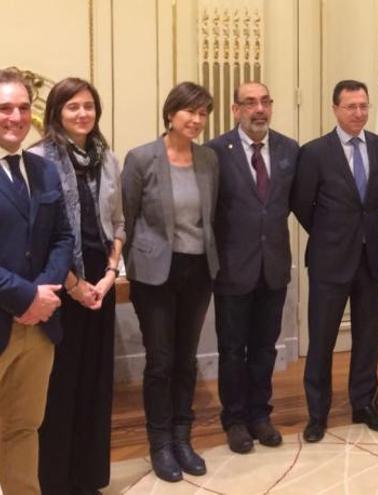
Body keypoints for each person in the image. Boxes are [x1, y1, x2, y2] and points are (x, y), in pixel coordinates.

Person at [31, 77, 124, 495]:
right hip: (59, 292)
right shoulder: (39, 161)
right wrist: (74, 285)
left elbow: (119, 223)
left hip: (99, 290)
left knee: (95, 385)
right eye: (73, 107)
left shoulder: (108, 158)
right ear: (56, 113)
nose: (83, 114)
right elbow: (41, 237)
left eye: (89, 106)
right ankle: (56, 483)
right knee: (59, 391)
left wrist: (107, 276)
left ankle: (89, 480)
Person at [122, 82, 218, 482]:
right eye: (189, 112)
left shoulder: (209, 160)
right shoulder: (142, 158)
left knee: (185, 359)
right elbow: (126, 218)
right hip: (155, 274)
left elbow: (212, 218)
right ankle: (159, 443)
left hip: (198, 271)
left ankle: (183, 438)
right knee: (160, 361)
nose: (196, 120)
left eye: (202, 114)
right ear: (170, 113)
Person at [294, 80, 378, 443]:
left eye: (363, 106)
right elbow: (303, 205)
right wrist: (333, 233)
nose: (358, 113)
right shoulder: (315, 152)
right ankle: (317, 413)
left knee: (367, 336)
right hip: (329, 258)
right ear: (335, 109)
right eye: (351, 106)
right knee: (322, 338)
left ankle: (363, 404)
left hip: (371, 258)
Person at [206, 82, 298, 454]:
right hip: (232, 268)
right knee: (232, 349)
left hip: (273, 266)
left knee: (265, 348)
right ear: (235, 109)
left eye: (264, 102)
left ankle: (260, 414)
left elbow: (294, 203)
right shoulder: (214, 153)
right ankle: (235, 420)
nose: (258, 109)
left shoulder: (289, 150)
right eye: (250, 103)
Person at [0, 67, 74, 495]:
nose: (16, 117)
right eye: (5, 108)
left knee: (24, 429)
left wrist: (43, 295)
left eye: (24, 107)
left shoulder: (42, 170)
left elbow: (62, 236)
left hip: (39, 328)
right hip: (7, 316)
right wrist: (25, 296)